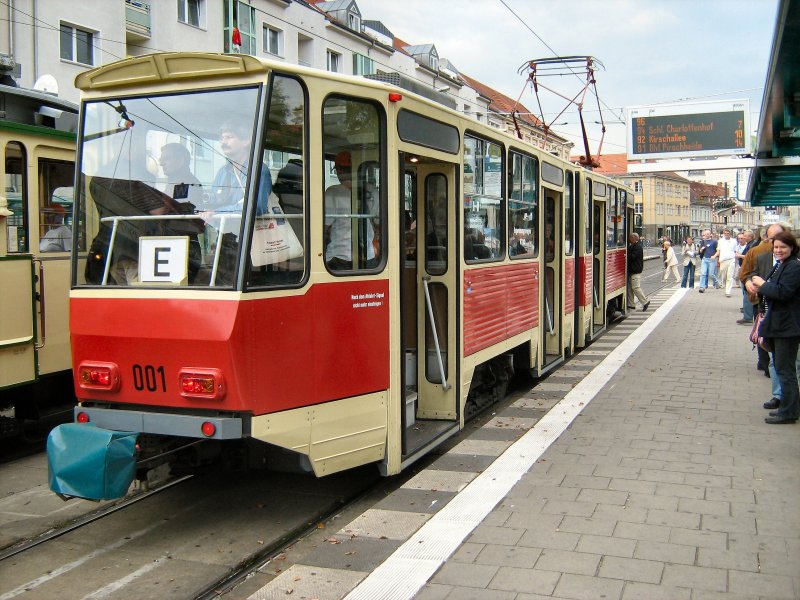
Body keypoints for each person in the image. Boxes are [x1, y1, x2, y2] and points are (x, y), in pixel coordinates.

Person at [750, 229, 800, 424]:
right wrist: (759, 287)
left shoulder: (794, 267)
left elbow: (783, 292)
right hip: (778, 323)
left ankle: (789, 412)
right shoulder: (782, 264)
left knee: (785, 370)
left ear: (792, 248)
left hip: (787, 326)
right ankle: (786, 406)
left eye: (783, 247)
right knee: (781, 367)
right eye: (776, 247)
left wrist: (762, 285)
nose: (778, 250)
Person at [324, 150, 378, 270]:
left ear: (338, 170)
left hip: (340, 257)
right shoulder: (372, 191)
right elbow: (376, 222)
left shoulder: (333, 192)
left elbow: (323, 228)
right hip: (368, 257)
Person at [211, 121, 271, 214]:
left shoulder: (259, 170)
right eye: (222, 138)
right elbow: (213, 201)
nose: (223, 142)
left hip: (247, 228)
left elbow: (256, 206)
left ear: (245, 141)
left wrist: (219, 212)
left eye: (229, 137)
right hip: (222, 227)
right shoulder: (223, 172)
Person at [626, 232, 649, 311]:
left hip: (635, 271)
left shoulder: (638, 247)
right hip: (632, 271)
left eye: (630, 238)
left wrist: (626, 255)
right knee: (629, 288)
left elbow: (633, 256)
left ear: (634, 238)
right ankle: (631, 304)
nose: (629, 239)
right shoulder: (634, 245)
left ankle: (645, 302)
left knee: (635, 287)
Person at [716, 228, 737, 296]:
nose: (726, 235)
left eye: (728, 234)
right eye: (725, 234)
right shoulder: (720, 241)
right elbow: (718, 251)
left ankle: (728, 291)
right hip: (723, 260)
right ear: (723, 234)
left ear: (730, 234)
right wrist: (714, 256)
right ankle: (724, 285)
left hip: (731, 259)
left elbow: (735, 250)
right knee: (724, 276)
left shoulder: (734, 241)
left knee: (729, 276)